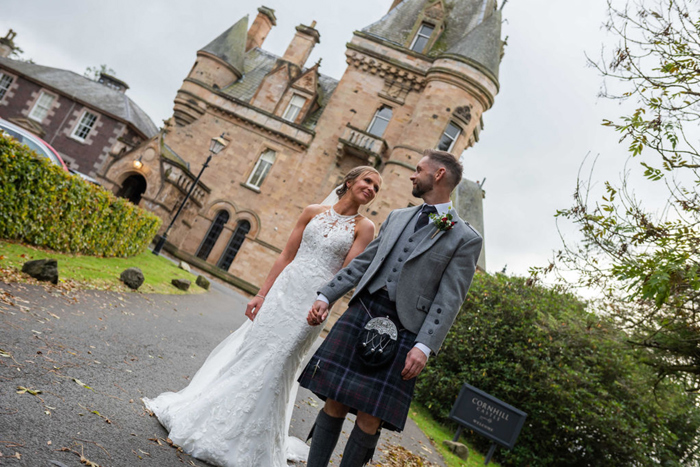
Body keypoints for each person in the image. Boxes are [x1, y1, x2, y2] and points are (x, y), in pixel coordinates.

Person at [143, 166, 382, 467]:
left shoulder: (365, 227)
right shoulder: (312, 211)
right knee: (252, 352)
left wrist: (325, 302)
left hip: (312, 304)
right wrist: (261, 294)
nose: (372, 188)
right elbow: (286, 255)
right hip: (284, 291)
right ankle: (216, 420)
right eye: (368, 181)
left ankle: (255, 440)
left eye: (376, 187)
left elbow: (347, 274)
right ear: (350, 182)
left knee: (281, 362)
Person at [299, 149, 482, 467]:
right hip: (365, 310)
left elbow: (449, 298)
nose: (413, 174)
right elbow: (363, 264)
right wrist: (327, 296)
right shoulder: (398, 217)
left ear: (438, 175)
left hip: (407, 328)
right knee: (335, 400)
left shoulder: (464, 237)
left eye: (419, 169)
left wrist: (424, 346)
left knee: (370, 417)